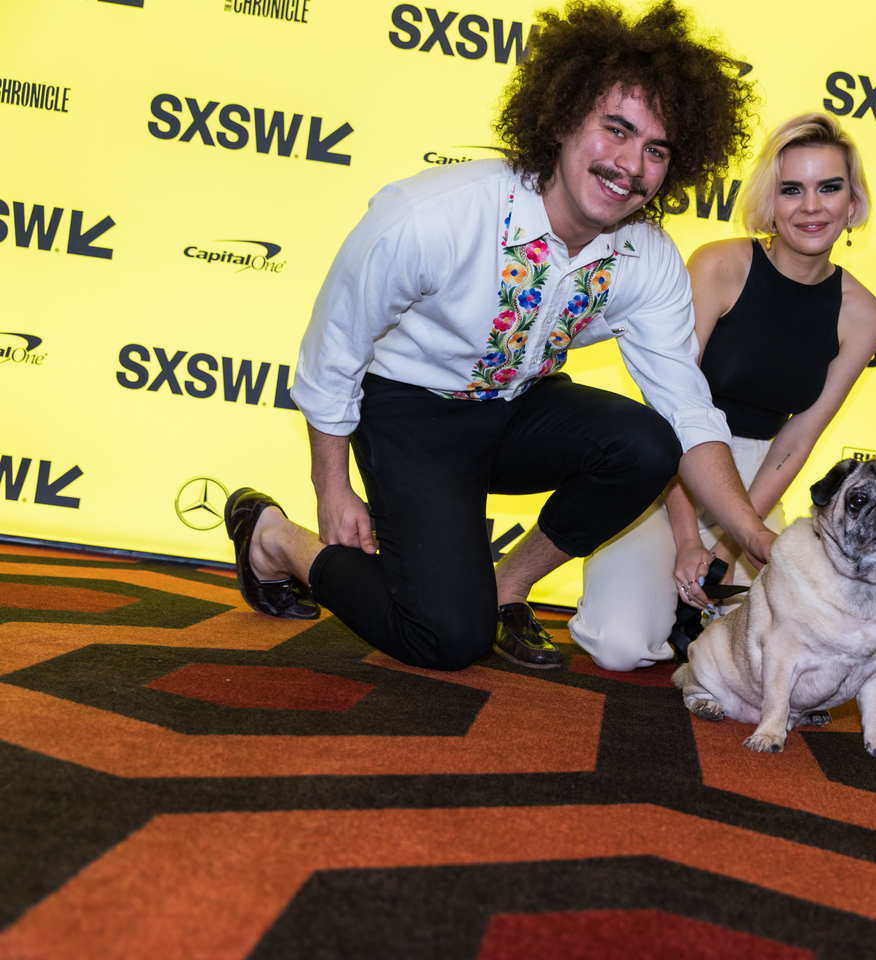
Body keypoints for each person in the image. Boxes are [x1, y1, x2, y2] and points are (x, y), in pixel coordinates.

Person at [222, 0, 778, 673]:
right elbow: (332, 351)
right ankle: (278, 542)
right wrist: (333, 490)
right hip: (410, 412)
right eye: (617, 130)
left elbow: (687, 408)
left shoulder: (647, 257)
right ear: (564, 116)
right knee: (446, 639)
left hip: (518, 404)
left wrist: (752, 534)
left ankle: (506, 589)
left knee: (645, 444)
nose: (631, 164)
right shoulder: (432, 216)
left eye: (656, 149)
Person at [569, 113, 876, 672]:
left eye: (829, 188)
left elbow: (798, 439)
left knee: (782, 661)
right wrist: (691, 537)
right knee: (618, 647)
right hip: (662, 476)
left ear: (853, 202)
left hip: (753, 487)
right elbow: (670, 404)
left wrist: (730, 545)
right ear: (770, 200)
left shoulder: (863, 315)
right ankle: (667, 608)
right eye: (792, 189)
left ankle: (688, 623)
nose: (810, 207)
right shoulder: (719, 265)